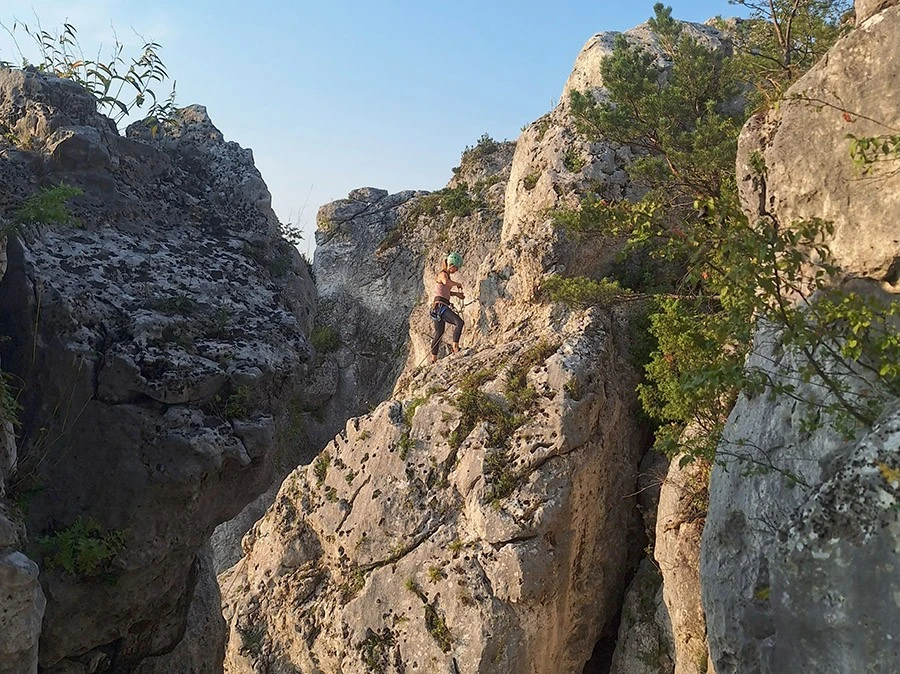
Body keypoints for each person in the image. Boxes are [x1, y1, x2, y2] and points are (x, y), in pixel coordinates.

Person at [429, 252, 465, 363]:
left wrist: (456, 294)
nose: (456, 270)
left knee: (439, 334)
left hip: (437, 307)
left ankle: (433, 359)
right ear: (452, 265)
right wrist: (457, 284)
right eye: (456, 268)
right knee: (459, 322)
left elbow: (445, 290)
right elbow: (446, 282)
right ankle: (455, 347)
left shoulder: (445, 275)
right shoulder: (443, 274)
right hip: (440, 306)